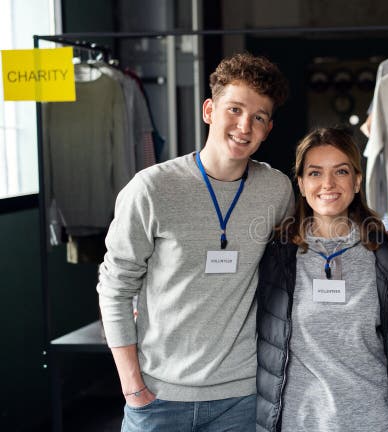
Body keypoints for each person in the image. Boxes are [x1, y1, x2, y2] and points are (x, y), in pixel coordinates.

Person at [97, 53, 294, 431]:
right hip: (158, 396)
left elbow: (284, 275)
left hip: (240, 398)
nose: (244, 126)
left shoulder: (276, 190)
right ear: (209, 110)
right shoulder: (152, 188)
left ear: (268, 128)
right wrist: (132, 387)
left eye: (258, 117)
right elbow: (116, 287)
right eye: (234, 109)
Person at [255, 127, 388, 431]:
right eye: (315, 173)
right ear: (300, 183)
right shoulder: (276, 256)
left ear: (357, 181)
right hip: (300, 422)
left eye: (340, 171)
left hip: (374, 421)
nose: (328, 184)